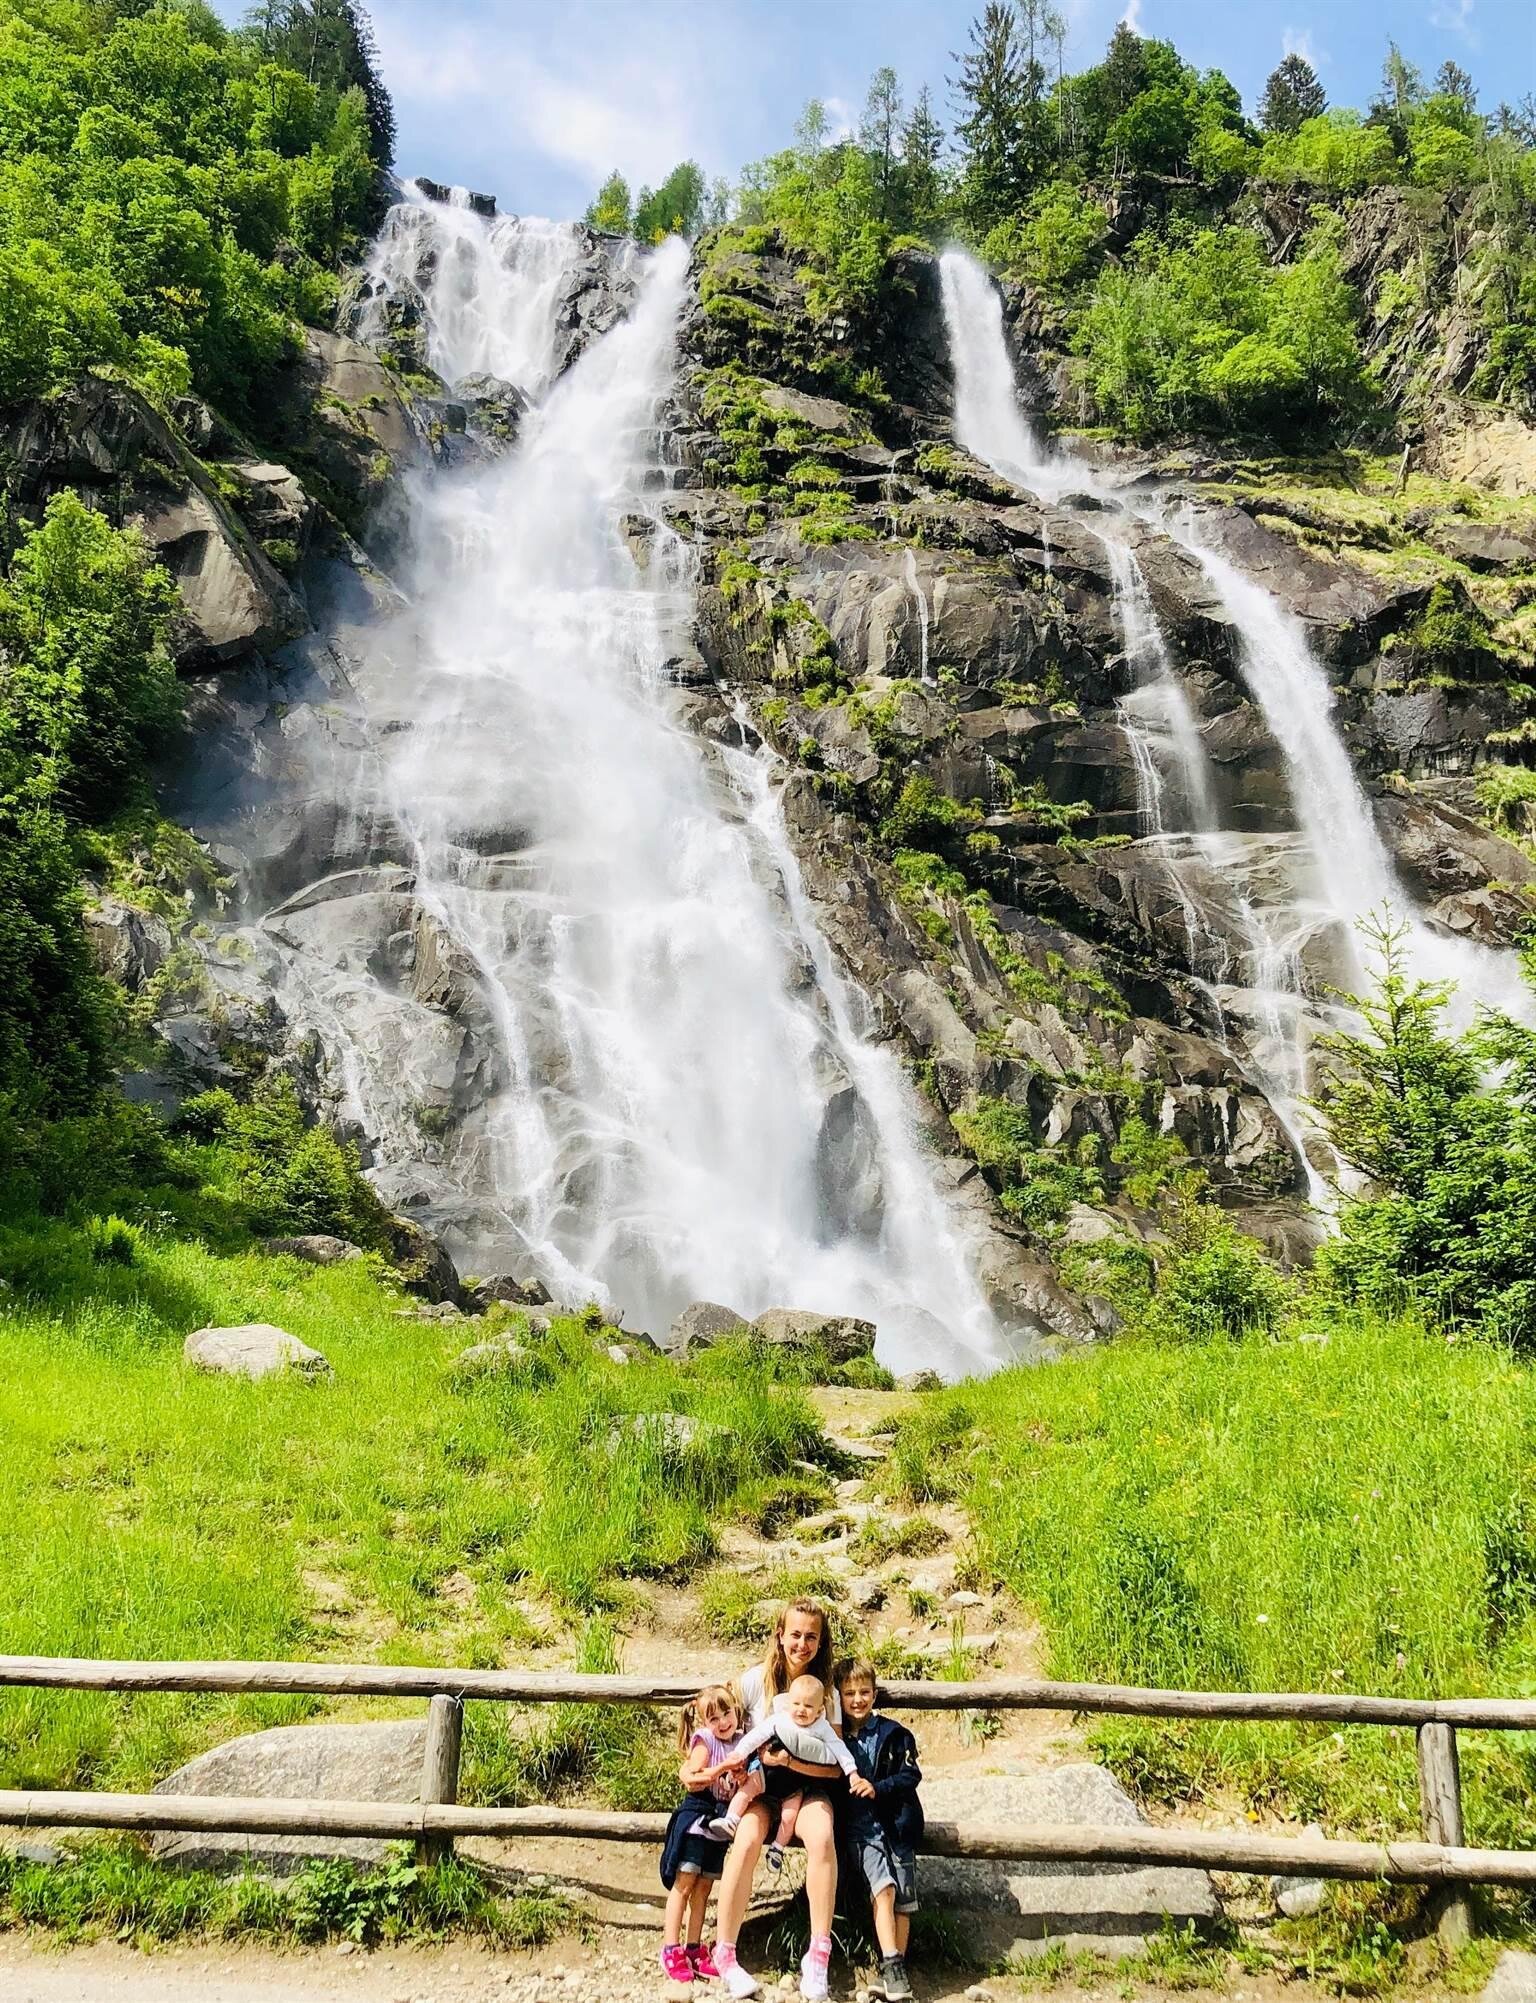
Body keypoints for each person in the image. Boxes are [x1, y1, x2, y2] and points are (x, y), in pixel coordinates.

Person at [710, 1598, 845, 2002]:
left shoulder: (829, 1694)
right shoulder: (754, 1683)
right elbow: (720, 1720)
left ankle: (818, 1954)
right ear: (779, 1636)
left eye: (811, 1637)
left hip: (810, 1787)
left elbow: (835, 1766)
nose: (802, 1644)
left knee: (821, 1836)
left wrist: (791, 1764)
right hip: (761, 1786)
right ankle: (725, 1952)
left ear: (820, 1643)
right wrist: (722, 1763)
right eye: (795, 1635)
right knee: (747, 1839)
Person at [697, 1673, 859, 1868]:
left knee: (789, 1816)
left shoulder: (822, 1727)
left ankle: (777, 1849)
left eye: (808, 1706)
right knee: (747, 1789)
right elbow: (756, 1736)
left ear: (819, 1711)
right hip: (767, 1774)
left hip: (794, 1783)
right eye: (796, 1704)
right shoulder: (779, 1719)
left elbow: (839, 1749)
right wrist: (739, 1754)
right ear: (788, 1703)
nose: (801, 1710)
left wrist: (853, 1773)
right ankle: (731, 1819)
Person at [835, 1658, 924, 2003]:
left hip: (896, 1827)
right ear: (839, 1697)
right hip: (862, 1831)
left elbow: (910, 1776)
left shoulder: (895, 1734)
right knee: (883, 1889)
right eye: (849, 1693)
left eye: (864, 1692)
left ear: (874, 1693)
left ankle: (894, 1970)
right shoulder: (835, 1738)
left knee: (903, 1900)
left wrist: (878, 1787)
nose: (858, 1699)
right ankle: (891, 1963)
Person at [659, 1683, 742, 1984]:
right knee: (685, 1881)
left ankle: (694, 1946)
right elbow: (693, 1777)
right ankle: (671, 1946)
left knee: (704, 1887)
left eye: (727, 1713)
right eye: (714, 1718)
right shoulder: (706, 1741)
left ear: (736, 1711)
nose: (723, 1722)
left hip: (720, 1821)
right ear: (705, 1723)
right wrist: (723, 1768)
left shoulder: (742, 1740)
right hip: (698, 1815)